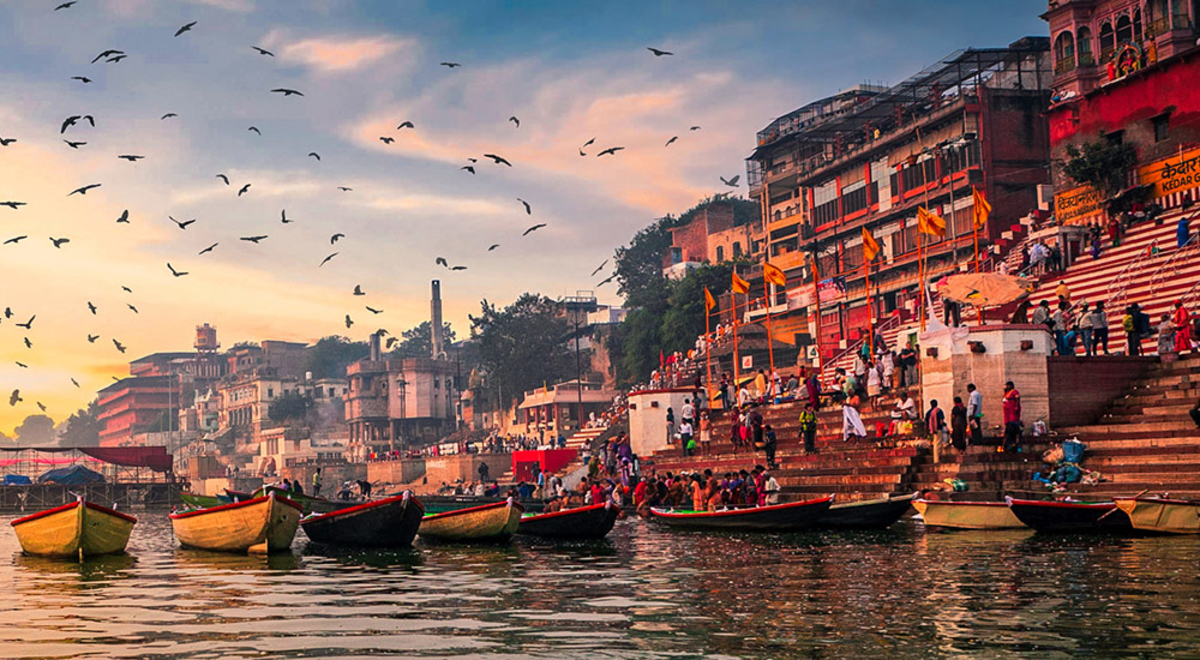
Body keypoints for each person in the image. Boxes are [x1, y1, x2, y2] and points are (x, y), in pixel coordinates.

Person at [1002, 381, 1022, 452]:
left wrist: (1016, 406)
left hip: (1012, 410)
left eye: (1008, 386)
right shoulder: (1007, 393)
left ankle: (1013, 442)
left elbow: (1017, 399)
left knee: (1012, 424)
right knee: (1008, 424)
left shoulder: (1015, 391)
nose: (1007, 387)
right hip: (1007, 411)